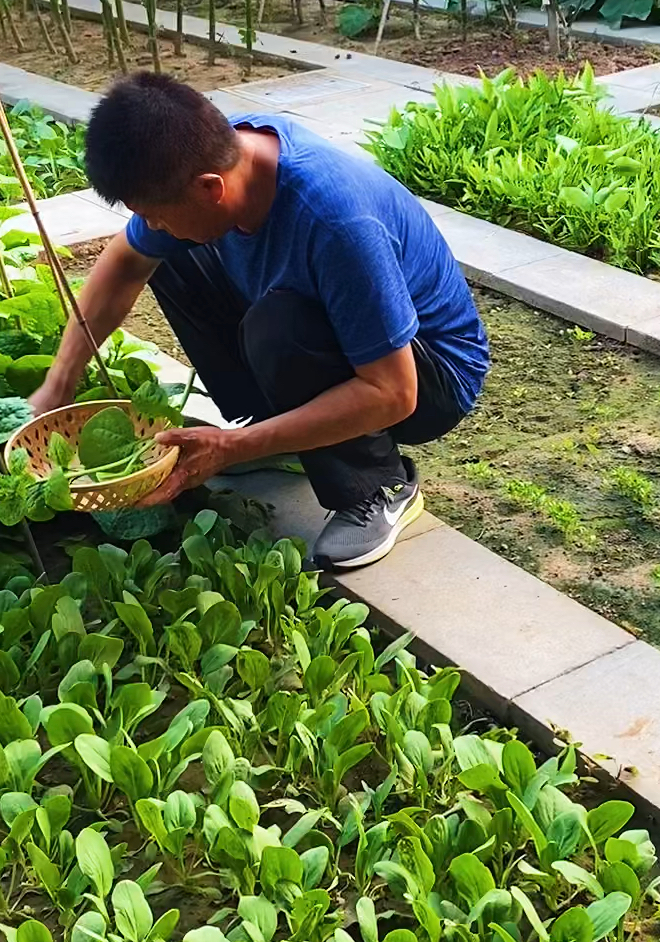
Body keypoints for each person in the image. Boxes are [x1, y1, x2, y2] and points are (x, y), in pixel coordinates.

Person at [31, 72, 490, 570]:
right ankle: (285, 430)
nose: (153, 224)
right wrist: (57, 386)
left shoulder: (337, 223)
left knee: (278, 325)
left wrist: (231, 448)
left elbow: (393, 392)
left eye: (157, 214)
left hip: (430, 378)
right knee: (169, 258)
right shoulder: (220, 157)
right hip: (359, 348)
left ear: (210, 189)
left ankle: (378, 485)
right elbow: (123, 262)